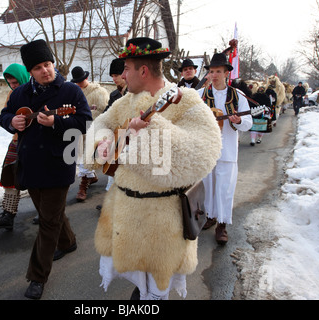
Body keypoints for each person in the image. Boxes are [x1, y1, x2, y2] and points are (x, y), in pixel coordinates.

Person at [84, 37, 222, 300]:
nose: (122, 75)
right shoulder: (126, 101)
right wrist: (101, 144)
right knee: (138, 282)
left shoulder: (187, 100)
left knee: (157, 289)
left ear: (143, 70)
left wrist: (147, 132)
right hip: (125, 214)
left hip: (163, 221)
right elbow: (101, 122)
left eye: (126, 68)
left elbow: (203, 152)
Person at [0, 39, 92, 300]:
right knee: (50, 213)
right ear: (30, 71)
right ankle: (68, 241)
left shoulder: (70, 92)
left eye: (48, 64)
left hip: (58, 163)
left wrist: (57, 122)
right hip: (30, 164)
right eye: (38, 67)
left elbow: (84, 122)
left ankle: (37, 277)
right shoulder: (19, 94)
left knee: (48, 222)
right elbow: (4, 115)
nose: (46, 70)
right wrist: (11, 121)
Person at [197, 52, 253, 245]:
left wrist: (238, 121)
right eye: (211, 71)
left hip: (228, 150)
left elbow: (248, 122)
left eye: (218, 71)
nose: (214, 75)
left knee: (224, 189)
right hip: (206, 150)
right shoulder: (200, 95)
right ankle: (210, 216)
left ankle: (222, 224)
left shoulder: (237, 96)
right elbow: (190, 118)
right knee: (207, 187)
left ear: (226, 73)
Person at [0, 63, 30, 230]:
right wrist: (11, 121)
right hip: (17, 141)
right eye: (10, 83)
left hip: (35, 143)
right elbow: (5, 114)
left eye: (16, 82)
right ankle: (8, 214)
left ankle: (45, 212)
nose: (13, 86)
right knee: (10, 175)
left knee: (35, 178)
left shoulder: (37, 92)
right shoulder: (12, 95)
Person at [71, 66, 109, 201]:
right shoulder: (74, 92)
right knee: (79, 155)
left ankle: (83, 185)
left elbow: (105, 111)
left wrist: (90, 114)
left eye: (81, 80)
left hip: (93, 127)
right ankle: (90, 176)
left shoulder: (99, 93)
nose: (79, 83)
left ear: (86, 78)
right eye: (77, 81)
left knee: (87, 156)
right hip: (78, 127)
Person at [103, 58, 127, 192]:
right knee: (112, 173)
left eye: (116, 75)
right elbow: (107, 114)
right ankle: (110, 200)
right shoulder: (114, 95)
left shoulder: (132, 92)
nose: (114, 79)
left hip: (129, 137)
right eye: (112, 76)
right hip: (116, 137)